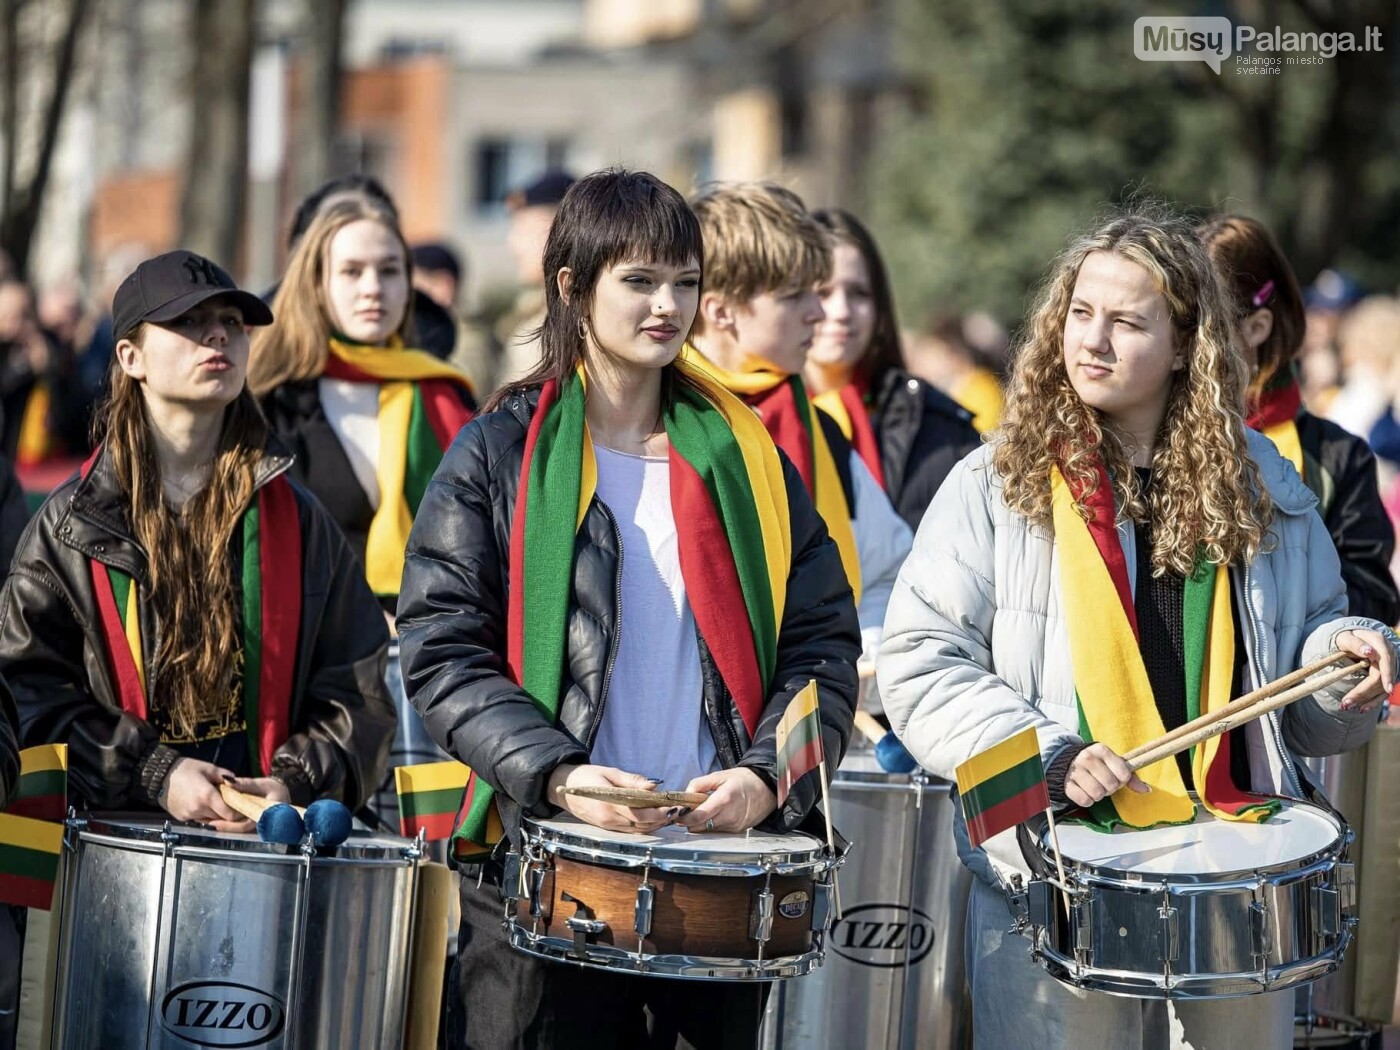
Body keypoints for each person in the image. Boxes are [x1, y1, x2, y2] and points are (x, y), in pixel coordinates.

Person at [876, 208, 1398, 1050]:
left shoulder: (1264, 485)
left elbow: (1303, 685)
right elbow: (920, 662)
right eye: (1081, 313)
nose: (1094, 340)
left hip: (1233, 858)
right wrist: (1048, 752)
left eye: (1127, 322)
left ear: (1188, 344)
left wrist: (1343, 665)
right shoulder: (996, 481)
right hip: (1053, 864)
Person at [397, 168, 861, 1050]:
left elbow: (821, 643)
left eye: (684, 282)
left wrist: (766, 774)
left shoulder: (746, 453)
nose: (668, 306)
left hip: (716, 876)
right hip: (546, 859)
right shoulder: (496, 451)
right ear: (573, 286)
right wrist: (560, 775)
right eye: (640, 281)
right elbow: (440, 646)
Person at [0, 249, 394, 822]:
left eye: (232, 323)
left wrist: (291, 783)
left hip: (267, 847)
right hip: (116, 850)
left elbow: (357, 694)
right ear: (130, 356)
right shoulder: (70, 527)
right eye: (187, 321)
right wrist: (156, 774)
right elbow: (27, 697)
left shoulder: (301, 521)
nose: (217, 336)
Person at [685, 181, 911, 673]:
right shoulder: (651, 426)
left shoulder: (819, 432)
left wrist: (863, 644)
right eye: (794, 296)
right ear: (721, 311)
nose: (819, 311)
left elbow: (891, 572)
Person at [249, 198, 476, 618]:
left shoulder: (447, 394)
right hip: (316, 652)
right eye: (352, 271)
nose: (373, 287)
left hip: (433, 649)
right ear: (316, 283)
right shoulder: (268, 399)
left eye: (389, 270)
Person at [1199, 215, 1399, 626]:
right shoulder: (1150, 436)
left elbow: (1370, 604)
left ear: (1256, 327)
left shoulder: (1337, 456)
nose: (1187, 342)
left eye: (1206, 325)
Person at [803, 208, 981, 531]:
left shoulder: (943, 430)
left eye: (858, 293)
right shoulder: (754, 421)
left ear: (880, 306)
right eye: (822, 292)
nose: (841, 311)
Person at [495, 169, 576, 387]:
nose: (513, 244)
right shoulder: (535, 312)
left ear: (561, 233)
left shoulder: (570, 323)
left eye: (524, 229)